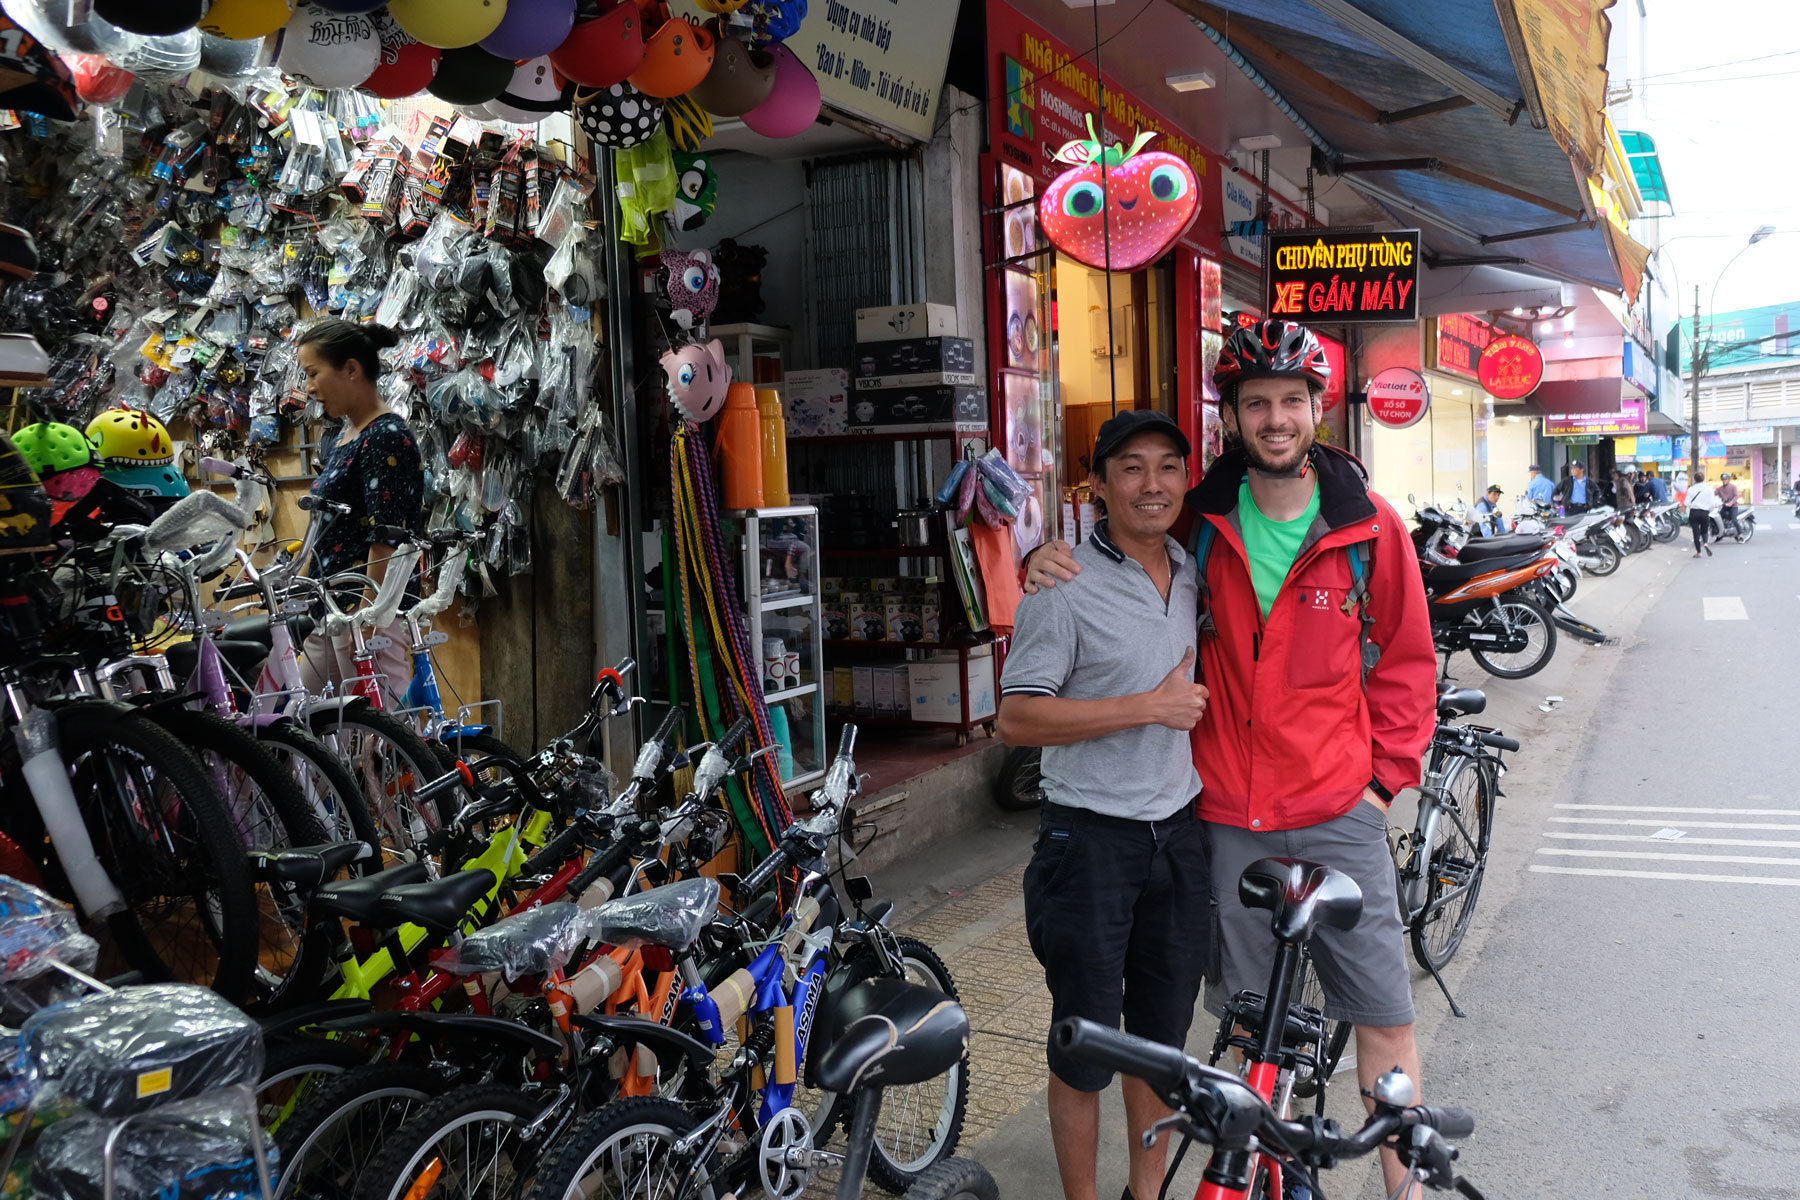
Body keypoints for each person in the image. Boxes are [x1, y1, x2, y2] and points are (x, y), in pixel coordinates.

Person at [1022, 318, 1438, 1199]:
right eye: (1258, 403)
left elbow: (1406, 663)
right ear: (1233, 417)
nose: (1277, 418)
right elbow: (1116, 561)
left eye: (1292, 400)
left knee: (1384, 1018)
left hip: (1339, 810)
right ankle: (1246, 1179)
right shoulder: (1199, 525)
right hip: (1227, 819)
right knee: (1248, 1028)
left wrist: (1381, 784)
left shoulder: (1369, 530)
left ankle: (1401, 1191)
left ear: (1317, 410)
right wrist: (1042, 556)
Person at [997, 409, 1212, 1200]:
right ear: (1098, 485)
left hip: (1178, 841)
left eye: (1166, 467)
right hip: (1087, 844)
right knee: (1082, 1047)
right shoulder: (1063, 585)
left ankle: (1144, 1196)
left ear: (1186, 480)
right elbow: (1015, 719)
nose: (1151, 484)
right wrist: (1147, 706)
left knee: (1161, 1045)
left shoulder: (1195, 567)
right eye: (1131, 467)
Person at [293, 319, 422, 706]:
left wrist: (367, 618)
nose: (309, 387)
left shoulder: (385, 436)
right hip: (331, 609)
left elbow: (386, 537)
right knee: (304, 718)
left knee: (385, 740)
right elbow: (326, 524)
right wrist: (298, 586)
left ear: (351, 369)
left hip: (364, 615)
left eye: (313, 373)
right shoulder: (347, 436)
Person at [1683, 469, 1717, 558]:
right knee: (1704, 531)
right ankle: (1705, 543)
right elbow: (1713, 504)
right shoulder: (1709, 489)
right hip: (1704, 512)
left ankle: (1699, 552)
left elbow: (1686, 503)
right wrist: (1709, 511)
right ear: (1704, 478)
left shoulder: (1691, 489)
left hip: (1694, 512)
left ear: (1695, 479)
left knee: (1696, 533)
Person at [1716, 472, 1742, 539]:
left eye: (1725, 479)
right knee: (1718, 517)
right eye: (1723, 480)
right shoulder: (1719, 489)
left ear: (1728, 480)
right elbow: (1713, 494)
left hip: (1733, 506)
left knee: (1734, 519)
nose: (1724, 481)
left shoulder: (1733, 487)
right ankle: (1721, 532)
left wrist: (1731, 503)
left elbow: (1736, 496)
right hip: (1724, 506)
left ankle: (1740, 534)